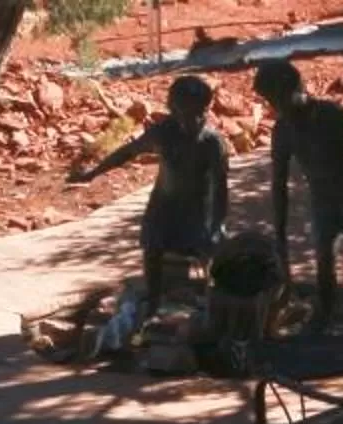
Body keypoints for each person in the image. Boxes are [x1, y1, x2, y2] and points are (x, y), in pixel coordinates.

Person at [72, 74, 231, 310]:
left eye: (195, 112)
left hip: (199, 208)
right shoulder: (163, 132)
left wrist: (217, 224)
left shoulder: (212, 143)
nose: (188, 119)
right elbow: (128, 152)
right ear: (172, 108)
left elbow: (220, 188)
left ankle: (213, 304)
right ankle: (154, 302)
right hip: (164, 206)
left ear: (204, 109)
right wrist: (93, 172)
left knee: (209, 249)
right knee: (153, 246)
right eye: (181, 110)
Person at [252, 56, 343, 331]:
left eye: (281, 98)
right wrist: (279, 230)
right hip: (322, 197)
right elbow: (278, 182)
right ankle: (326, 311)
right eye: (272, 102)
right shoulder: (283, 131)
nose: (278, 107)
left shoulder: (331, 114)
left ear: (298, 89)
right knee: (323, 255)